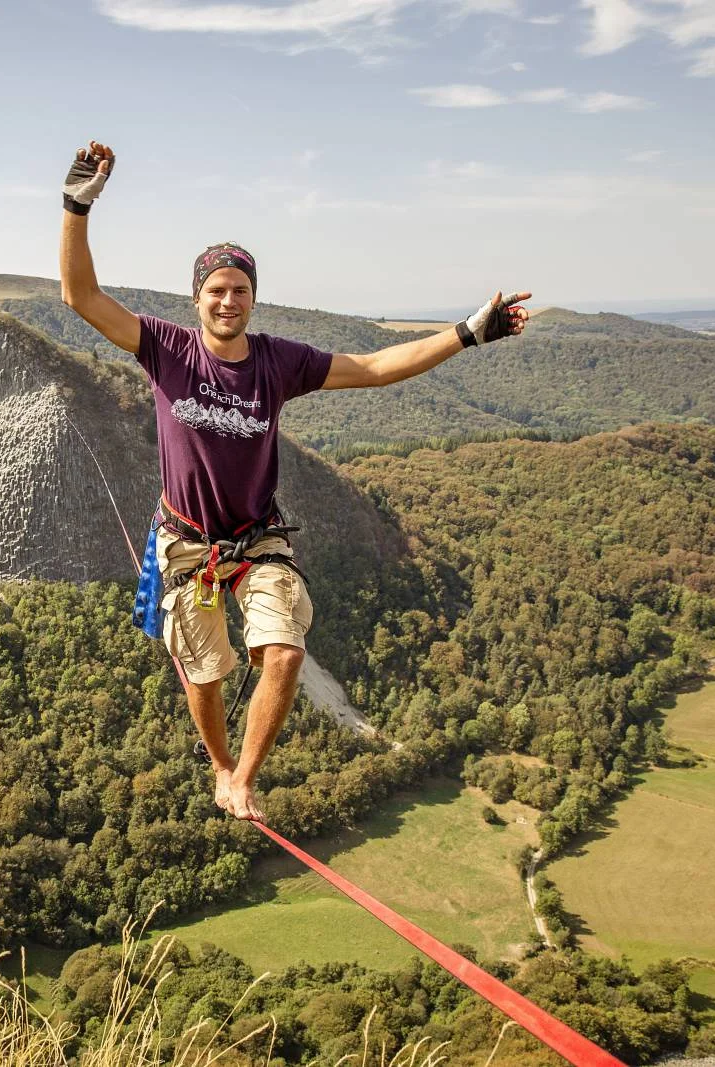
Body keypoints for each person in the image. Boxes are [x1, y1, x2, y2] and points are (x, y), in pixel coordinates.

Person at [59, 140, 529, 820]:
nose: (227, 301)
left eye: (239, 290)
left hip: (256, 539)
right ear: (196, 299)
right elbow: (80, 295)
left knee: (281, 652)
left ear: (253, 297)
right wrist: (77, 207)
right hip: (188, 544)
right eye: (216, 291)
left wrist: (466, 333)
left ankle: (241, 777)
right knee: (205, 671)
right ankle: (218, 762)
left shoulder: (278, 363)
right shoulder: (166, 348)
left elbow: (371, 368)